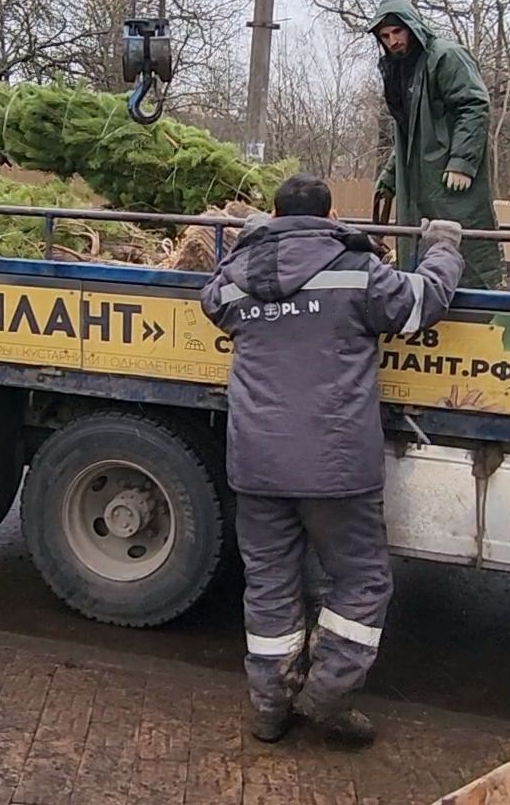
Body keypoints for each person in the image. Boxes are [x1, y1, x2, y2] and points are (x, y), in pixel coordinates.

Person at [200, 173, 464, 747]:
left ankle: (269, 707)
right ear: (331, 216)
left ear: (274, 216)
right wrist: (443, 247)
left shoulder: (237, 278)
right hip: (336, 468)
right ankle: (327, 696)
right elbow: (422, 302)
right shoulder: (356, 271)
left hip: (258, 464)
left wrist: (253, 237)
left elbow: (212, 299)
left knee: (268, 585)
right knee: (361, 582)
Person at [369, 0, 503, 290]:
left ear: (412, 27)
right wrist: (391, 176)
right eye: (385, 36)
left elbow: (474, 105)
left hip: (447, 174)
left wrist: (462, 161)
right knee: (421, 250)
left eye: (397, 32)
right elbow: (409, 132)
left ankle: (476, 298)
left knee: (459, 246)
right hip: (418, 180)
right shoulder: (402, 70)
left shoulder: (445, 56)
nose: (393, 41)